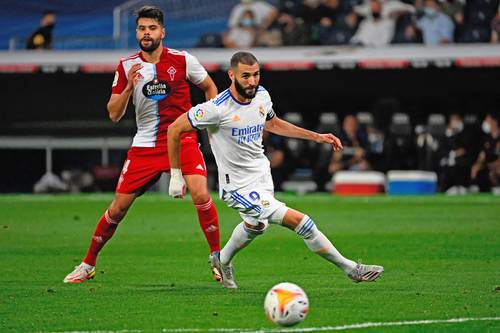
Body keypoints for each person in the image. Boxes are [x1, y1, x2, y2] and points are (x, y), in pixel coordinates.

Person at [167, 51, 384, 289]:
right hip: (237, 186)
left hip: (261, 175)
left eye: (256, 75)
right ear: (232, 75)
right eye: (246, 76)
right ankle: (351, 269)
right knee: (302, 222)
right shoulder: (215, 109)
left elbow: (273, 123)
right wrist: (177, 175)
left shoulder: (262, 95)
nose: (252, 81)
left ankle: (222, 260)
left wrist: (317, 137)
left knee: (256, 226)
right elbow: (174, 129)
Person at [63, 6, 221, 283]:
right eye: (141, 28)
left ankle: (218, 260)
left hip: (183, 139)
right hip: (146, 145)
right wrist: (128, 88)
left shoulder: (184, 60)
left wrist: (206, 122)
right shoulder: (126, 66)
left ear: (162, 32)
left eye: (151, 28)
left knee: (200, 194)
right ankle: (87, 264)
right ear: (137, 32)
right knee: (117, 209)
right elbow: (113, 114)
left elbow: (210, 88)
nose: (146, 33)